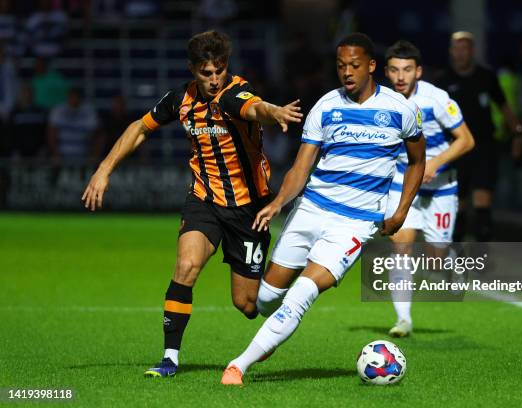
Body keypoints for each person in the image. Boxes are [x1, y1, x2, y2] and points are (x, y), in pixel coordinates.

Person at [81, 30, 303, 378]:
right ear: (192, 70)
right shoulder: (179, 100)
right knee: (186, 267)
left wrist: (274, 111)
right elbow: (140, 128)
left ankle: (291, 276)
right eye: (206, 73)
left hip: (249, 210)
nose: (214, 80)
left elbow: (255, 107)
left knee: (247, 304)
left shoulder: (233, 95)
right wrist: (103, 170)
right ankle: (170, 358)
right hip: (204, 201)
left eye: (220, 70)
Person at [221, 32, 425, 386]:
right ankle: (271, 331)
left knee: (301, 294)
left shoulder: (401, 110)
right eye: (341, 65)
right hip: (311, 210)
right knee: (264, 300)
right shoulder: (326, 106)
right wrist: (278, 203)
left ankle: (238, 365)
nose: (347, 72)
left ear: (372, 66)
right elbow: (301, 168)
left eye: (355, 65)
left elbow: (417, 162)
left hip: (355, 224)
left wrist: (402, 210)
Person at [383, 40, 475, 337]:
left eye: (407, 70)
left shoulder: (437, 99)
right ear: (386, 72)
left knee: (435, 258)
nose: (401, 77)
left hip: (440, 188)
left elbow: (466, 140)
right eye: (395, 70)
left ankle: (450, 259)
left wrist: (434, 164)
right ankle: (403, 319)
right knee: (401, 247)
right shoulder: (381, 101)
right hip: (402, 182)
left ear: (418, 71)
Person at [435, 31, 522, 242]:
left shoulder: (486, 77)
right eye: (457, 49)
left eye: (465, 49)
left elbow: (504, 106)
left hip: (484, 147)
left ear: (472, 51)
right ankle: (456, 259)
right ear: (451, 52)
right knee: (458, 207)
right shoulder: (443, 81)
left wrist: (518, 133)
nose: (461, 53)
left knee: (483, 202)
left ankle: (482, 257)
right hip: (455, 149)